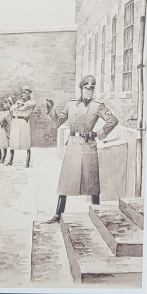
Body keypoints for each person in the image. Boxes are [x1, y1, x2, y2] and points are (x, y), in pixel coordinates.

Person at [45, 74, 119, 222]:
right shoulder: (71, 104)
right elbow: (58, 122)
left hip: (88, 145)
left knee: (92, 182)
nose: (89, 92)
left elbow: (112, 120)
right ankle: (58, 214)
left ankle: (96, 214)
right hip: (72, 145)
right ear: (81, 89)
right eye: (86, 89)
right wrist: (50, 110)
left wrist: (98, 134)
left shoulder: (98, 106)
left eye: (91, 89)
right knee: (66, 182)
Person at [8, 89, 33, 168]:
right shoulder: (19, 101)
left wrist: (18, 106)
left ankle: (27, 162)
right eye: (22, 92)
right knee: (13, 141)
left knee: (26, 142)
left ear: (28, 94)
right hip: (15, 121)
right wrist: (18, 105)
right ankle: (10, 160)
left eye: (25, 93)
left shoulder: (31, 102)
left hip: (24, 122)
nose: (23, 94)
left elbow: (24, 108)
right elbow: (11, 108)